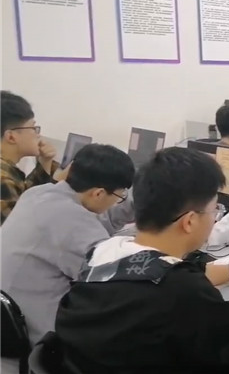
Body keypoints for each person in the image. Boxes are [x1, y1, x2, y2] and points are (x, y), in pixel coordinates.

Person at [55, 147, 229, 373]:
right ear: (189, 221)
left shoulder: (101, 255)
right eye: (214, 211)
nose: (215, 218)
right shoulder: (180, 292)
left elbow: (154, 273)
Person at [1, 144, 134, 344]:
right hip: (34, 335)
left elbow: (89, 223)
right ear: (98, 193)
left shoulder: (38, 193)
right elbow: (110, 280)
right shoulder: (76, 224)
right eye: (119, 196)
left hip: (8, 318)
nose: (117, 202)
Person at [0, 91, 58, 224]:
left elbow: (27, 198)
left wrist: (45, 161)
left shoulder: (8, 171)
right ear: (11, 137)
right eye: (33, 128)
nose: (38, 134)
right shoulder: (3, 180)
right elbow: (23, 226)